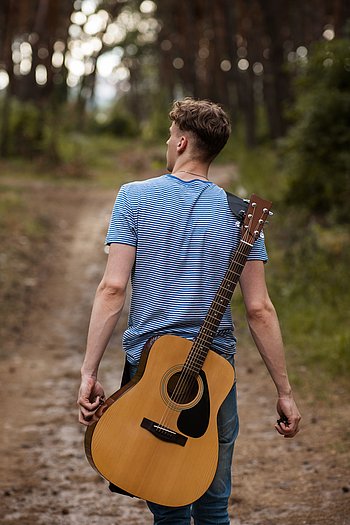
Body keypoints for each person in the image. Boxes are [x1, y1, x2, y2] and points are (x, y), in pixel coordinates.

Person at [77, 98, 301, 524]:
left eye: (168, 136)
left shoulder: (134, 197)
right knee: (214, 505)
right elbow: (259, 309)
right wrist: (284, 392)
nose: (167, 143)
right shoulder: (242, 215)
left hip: (150, 371)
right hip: (212, 376)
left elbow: (112, 288)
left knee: (168, 507)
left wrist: (89, 372)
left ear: (181, 143)